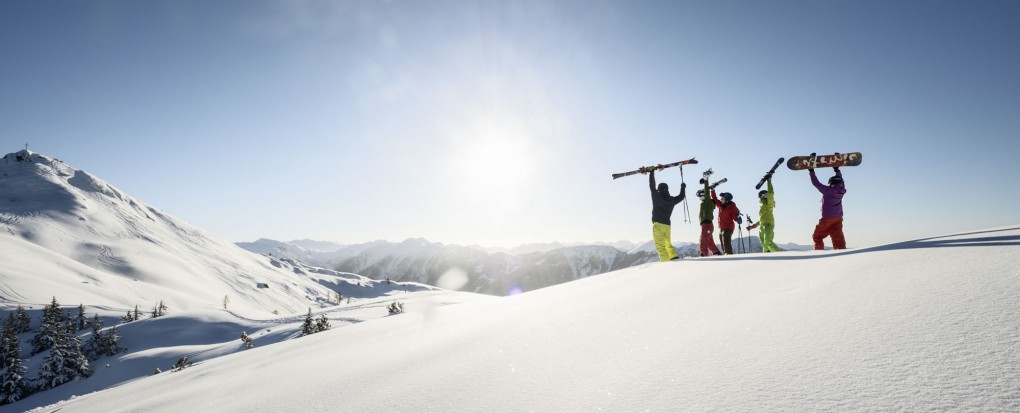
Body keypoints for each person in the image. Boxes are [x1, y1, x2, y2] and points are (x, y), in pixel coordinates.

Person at [643, 166, 686, 261]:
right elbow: (681, 197)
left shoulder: (656, 196)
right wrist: (683, 187)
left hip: (658, 225)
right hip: (667, 226)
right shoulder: (671, 200)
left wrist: (651, 172)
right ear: (667, 189)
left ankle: (666, 268)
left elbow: (651, 185)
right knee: (668, 245)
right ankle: (674, 259)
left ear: (659, 189)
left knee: (660, 247)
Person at [810, 166, 847, 249]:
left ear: (831, 183)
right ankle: (842, 253)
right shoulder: (842, 190)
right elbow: (840, 180)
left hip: (827, 218)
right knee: (838, 238)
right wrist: (837, 170)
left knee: (817, 236)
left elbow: (816, 183)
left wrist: (811, 171)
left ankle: (819, 254)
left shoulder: (827, 191)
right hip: (838, 218)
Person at [754, 176, 781, 253]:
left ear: (764, 196)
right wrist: (754, 225)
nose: (759, 198)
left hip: (769, 224)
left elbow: (771, 194)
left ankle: (780, 255)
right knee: (763, 244)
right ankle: (767, 257)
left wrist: (769, 182)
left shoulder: (770, 204)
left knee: (768, 241)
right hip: (762, 226)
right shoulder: (762, 206)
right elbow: (761, 218)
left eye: (760, 196)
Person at [697, 179, 722, 257]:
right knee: (709, 242)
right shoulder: (706, 202)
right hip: (706, 225)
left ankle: (704, 257)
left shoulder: (707, 201)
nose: (699, 198)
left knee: (703, 241)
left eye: (700, 195)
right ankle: (717, 254)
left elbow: (707, 193)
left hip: (707, 225)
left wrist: (706, 180)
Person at [711, 189, 741, 254]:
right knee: (722, 243)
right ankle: (726, 254)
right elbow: (715, 199)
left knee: (726, 243)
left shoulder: (732, 208)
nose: (721, 199)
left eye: (723, 198)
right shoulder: (721, 206)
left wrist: (738, 219)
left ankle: (729, 255)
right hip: (721, 228)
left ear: (727, 200)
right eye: (721, 198)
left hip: (728, 228)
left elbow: (735, 217)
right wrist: (712, 190)